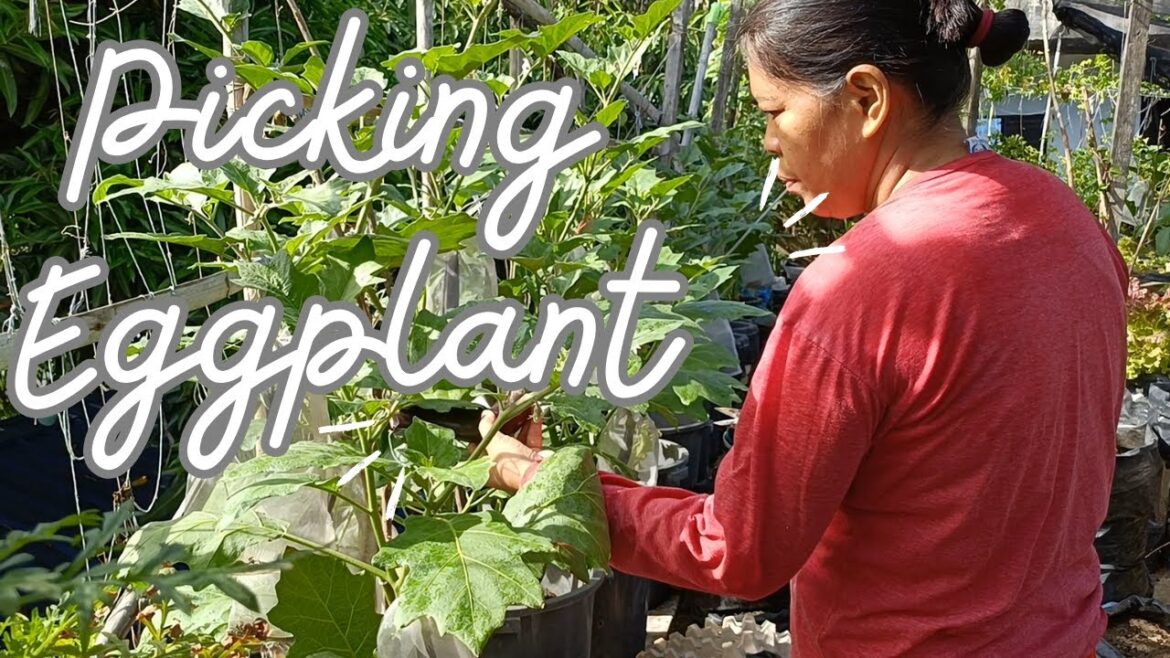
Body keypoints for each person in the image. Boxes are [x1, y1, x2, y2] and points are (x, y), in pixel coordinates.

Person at [480, 1, 1129, 655]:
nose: (766, 141)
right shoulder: (1067, 221)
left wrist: (542, 481)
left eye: (773, 111)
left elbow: (737, 552)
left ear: (868, 97)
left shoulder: (862, 283)